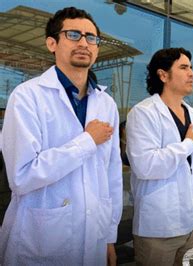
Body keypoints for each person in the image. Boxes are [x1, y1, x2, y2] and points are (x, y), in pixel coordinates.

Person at [0, 7, 122, 265]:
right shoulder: (26, 97)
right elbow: (22, 176)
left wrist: (109, 236)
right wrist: (87, 141)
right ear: (51, 43)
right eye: (74, 34)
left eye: (91, 38)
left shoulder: (106, 103)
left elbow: (111, 175)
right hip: (40, 237)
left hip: (94, 238)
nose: (84, 43)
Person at [126, 48, 193, 265]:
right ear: (163, 75)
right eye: (184, 68)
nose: (192, 74)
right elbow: (145, 166)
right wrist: (187, 145)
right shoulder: (143, 113)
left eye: (191, 68)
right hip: (159, 228)